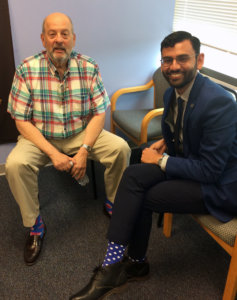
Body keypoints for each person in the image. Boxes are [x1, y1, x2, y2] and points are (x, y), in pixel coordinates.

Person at [69, 31, 237, 300]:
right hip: (193, 165)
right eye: (167, 60)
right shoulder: (173, 94)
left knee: (141, 194)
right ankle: (126, 264)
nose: (174, 66)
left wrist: (161, 160)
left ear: (200, 60)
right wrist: (164, 144)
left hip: (220, 186)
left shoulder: (219, 102)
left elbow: (211, 170)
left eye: (182, 58)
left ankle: (125, 265)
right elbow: (184, 133)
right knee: (134, 172)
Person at [6, 12, 130, 266]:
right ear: (43, 39)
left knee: (120, 148)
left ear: (73, 38)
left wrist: (84, 149)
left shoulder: (89, 66)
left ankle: (113, 201)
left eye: (65, 34)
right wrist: (53, 153)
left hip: (79, 133)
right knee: (15, 165)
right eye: (52, 34)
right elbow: (20, 120)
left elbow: (99, 112)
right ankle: (35, 226)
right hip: (40, 137)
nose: (59, 40)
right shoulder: (26, 69)